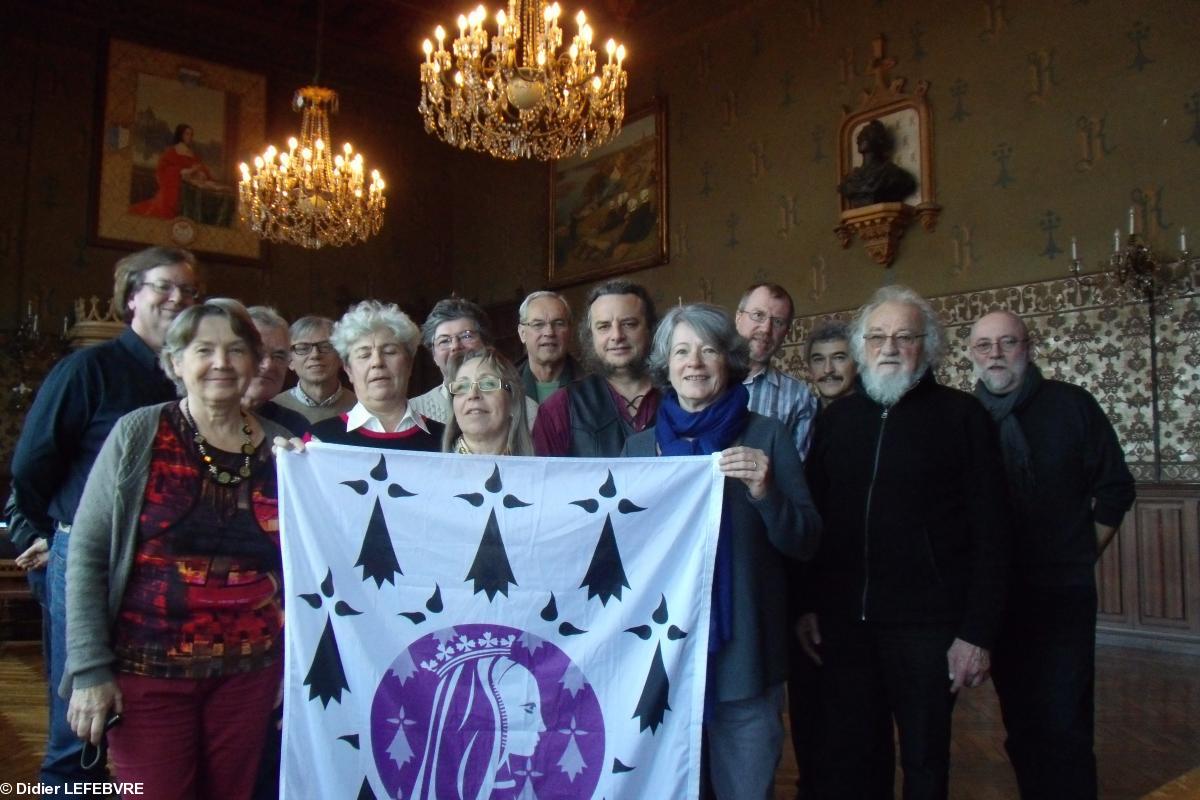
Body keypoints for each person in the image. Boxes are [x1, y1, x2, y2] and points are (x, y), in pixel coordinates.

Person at [61, 299, 293, 800]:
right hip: (146, 674)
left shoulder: (284, 448)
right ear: (174, 361)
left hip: (250, 675)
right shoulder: (140, 433)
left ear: (255, 363)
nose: (221, 362)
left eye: (236, 350)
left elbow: (304, 569)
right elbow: (87, 554)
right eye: (203, 349)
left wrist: (293, 666)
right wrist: (89, 669)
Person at [803, 285, 1010, 799]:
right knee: (855, 759)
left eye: (904, 337)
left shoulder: (964, 418)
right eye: (876, 337)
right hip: (846, 625)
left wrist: (976, 634)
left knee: (925, 760)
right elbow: (813, 524)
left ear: (928, 346)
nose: (889, 348)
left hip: (929, 627)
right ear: (861, 347)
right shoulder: (836, 421)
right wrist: (806, 605)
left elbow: (994, 533)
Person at [11, 246, 198, 788]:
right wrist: (56, 533)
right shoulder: (88, 369)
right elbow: (31, 466)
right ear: (132, 296)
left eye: (189, 291)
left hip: (162, 573)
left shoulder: (188, 379)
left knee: (142, 723)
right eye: (165, 287)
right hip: (88, 565)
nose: (178, 299)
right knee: (79, 731)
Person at [621, 303, 821, 800]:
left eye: (708, 350)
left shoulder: (766, 436)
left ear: (728, 360)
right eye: (682, 351)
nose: (695, 362)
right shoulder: (639, 451)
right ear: (665, 365)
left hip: (745, 660)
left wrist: (766, 492)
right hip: (660, 662)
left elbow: (806, 540)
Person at [968, 310, 1134, 799]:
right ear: (971, 354)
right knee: (1021, 725)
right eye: (984, 346)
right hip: (997, 600)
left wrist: (1083, 553)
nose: (995, 355)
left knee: (1064, 723)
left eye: (1007, 343)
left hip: (1062, 594)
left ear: (1028, 348)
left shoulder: (1071, 405)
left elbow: (1115, 489)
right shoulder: (966, 417)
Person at [533, 279, 660, 457]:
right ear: (590, 336)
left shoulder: (681, 395)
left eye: (629, 324)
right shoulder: (558, 409)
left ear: (650, 329)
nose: (617, 336)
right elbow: (547, 483)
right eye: (604, 326)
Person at [309, 300, 444, 451]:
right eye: (364, 355)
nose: (377, 362)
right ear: (349, 370)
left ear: (409, 365)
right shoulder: (319, 441)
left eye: (389, 352)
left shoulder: (446, 440)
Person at [410, 297, 538, 427]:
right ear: (434, 355)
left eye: (466, 336)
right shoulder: (413, 412)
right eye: (444, 341)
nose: (455, 346)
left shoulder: (526, 409)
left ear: (486, 344)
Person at [734, 283, 818, 458]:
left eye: (778, 322)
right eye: (758, 315)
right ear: (738, 318)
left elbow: (792, 473)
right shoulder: (703, 380)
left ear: (786, 332)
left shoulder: (799, 396)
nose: (766, 329)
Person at [443, 348, 535, 456]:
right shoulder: (429, 470)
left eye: (488, 384)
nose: (473, 394)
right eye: (462, 386)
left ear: (513, 402)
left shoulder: (543, 470)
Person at [271, 315, 356, 425]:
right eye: (303, 348)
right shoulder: (273, 408)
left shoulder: (360, 407)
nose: (315, 355)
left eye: (325, 346)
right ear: (290, 361)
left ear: (340, 356)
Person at [243, 306, 310, 437]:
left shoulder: (295, 426)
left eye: (279, 356)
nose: (268, 365)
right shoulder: (198, 418)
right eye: (258, 353)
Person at [130, 124, 216, 219]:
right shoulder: (171, 152)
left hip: (191, 187)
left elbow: (199, 166)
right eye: (187, 134)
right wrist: (186, 171)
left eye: (191, 134)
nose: (189, 137)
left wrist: (200, 172)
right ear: (180, 135)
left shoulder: (191, 152)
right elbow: (164, 170)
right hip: (176, 187)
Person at [515, 290, 583, 403]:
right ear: (522, 333)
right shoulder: (505, 386)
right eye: (538, 324)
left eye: (559, 323)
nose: (549, 332)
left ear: (570, 332)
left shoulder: (593, 386)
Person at [838, 119, 918, 208]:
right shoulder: (850, 179)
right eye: (860, 135)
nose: (860, 138)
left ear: (879, 140)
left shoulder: (892, 174)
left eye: (867, 134)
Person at [805, 320, 858, 407]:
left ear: (857, 366)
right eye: (819, 360)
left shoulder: (880, 415)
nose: (828, 369)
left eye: (839, 358)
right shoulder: (804, 416)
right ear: (810, 370)